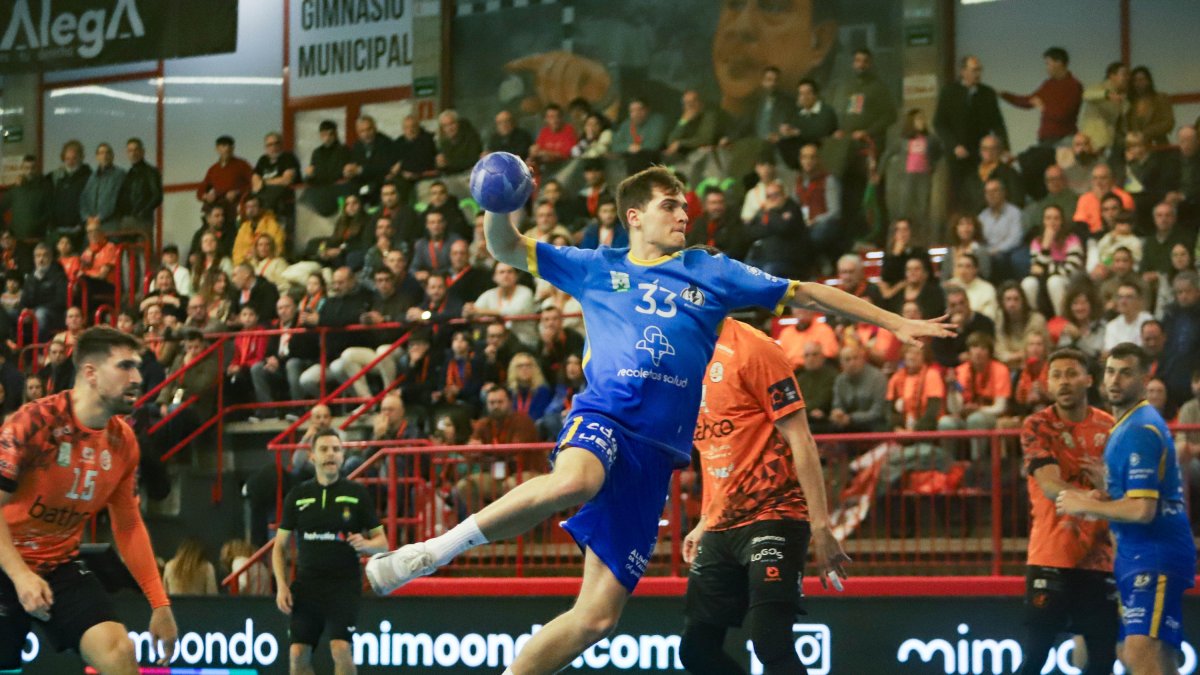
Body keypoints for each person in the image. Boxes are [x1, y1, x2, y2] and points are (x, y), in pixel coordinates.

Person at [365, 166, 950, 674]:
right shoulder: (595, 267)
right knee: (577, 480)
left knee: (596, 619)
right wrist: (497, 204)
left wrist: (894, 321)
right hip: (606, 417)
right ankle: (432, 552)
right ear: (635, 216)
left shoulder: (710, 271)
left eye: (685, 207)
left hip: (654, 457)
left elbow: (810, 295)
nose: (683, 215)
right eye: (671, 205)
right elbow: (506, 247)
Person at [0, 327, 178, 671]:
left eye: (137, 366)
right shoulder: (33, 424)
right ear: (91, 373)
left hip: (58, 565)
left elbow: (128, 525)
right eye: (125, 366)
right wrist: (20, 575)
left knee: (120, 652)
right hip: (4, 560)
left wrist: (160, 603)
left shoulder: (123, 442)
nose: (138, 377)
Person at [680, 319, 848, 675]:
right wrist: (705, 519)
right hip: (721, 522)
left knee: (770, 644)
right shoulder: (683, 355)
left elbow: (802, 439)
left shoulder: (755, 348)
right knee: (696, 650)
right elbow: (716, 447)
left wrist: (821, 526)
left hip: (775, 512)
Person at [1057, 343, 1196, 675]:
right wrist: (1106, 492)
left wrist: (1083, 502)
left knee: (1138, 651)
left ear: (1145, 378)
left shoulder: (1139, 430)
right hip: (1138, 553)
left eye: (1125, 373)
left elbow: (1142, 510)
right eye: (1110, 372)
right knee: (1148, 654)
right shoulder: (1126, 426)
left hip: (1154, 554)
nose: (1115, 380)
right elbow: (1137, 497)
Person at [1017, 348, 1117, 675]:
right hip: (1050, 557)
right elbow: (1049, 485)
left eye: (1072, 373)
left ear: (1088, 379)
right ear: (1048, 383)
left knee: (1102, 662)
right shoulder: (1037, 425)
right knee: (1035, 659)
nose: (1064, 382)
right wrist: (1095, 496)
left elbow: (1125, 489)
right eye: (1056, 375)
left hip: (1099, 560)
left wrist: (1109, 485)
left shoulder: (1110, 427)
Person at [273, 430, 387, 675]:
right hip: (307, 586)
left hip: (343, 586)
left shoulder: (357, 493)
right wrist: (281, 586)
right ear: (312, 456)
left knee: (340, 649)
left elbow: (383, 543)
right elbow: (279, 546)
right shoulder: (298, 495)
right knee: (297, 654)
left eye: (336, 449)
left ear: (343, 456)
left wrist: (366, 544)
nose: (330, 454)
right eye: (324, 449)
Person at [935, 55, 1009, 204]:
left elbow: (998, 123)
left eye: (979, 70)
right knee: (960, 191)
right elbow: (939, 123)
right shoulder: (949, 92)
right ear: (963, 71)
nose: (978, 74)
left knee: (983, 187)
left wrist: (1004, 148)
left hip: (981, 151)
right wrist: (954, 145)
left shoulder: (987, 93)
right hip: (957, 152)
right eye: (974, 70)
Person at [1000, 47, 1083, 146]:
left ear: (1059, 63)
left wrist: (1043, 107)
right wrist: (1003, 95)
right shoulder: (1048, 84)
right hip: (1046, 140)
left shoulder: (1073, 86)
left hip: (1064, 139)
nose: (1046, 67)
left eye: (1048, 63)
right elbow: (1028, 101)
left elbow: (1063, 114)